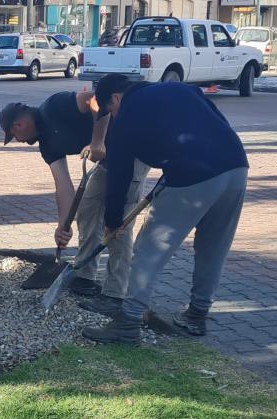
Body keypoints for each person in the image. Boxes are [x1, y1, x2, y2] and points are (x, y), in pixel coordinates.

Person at [82, 74, 249, 344]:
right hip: (236, 166)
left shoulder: (126, 116)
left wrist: (113, 220)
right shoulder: (181, 90)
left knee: (149, 251)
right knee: (213, 248)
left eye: (110, 110)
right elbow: (215, 126)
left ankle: (128, 322)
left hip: (193, 174)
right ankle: (197, 315)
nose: (112, 115)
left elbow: (120, 174)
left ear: (115, 98)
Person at [0, 92, 149, 316]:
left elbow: (97, 99)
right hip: (108, 161)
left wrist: (97, 141)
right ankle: (85, 277)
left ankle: (115, 294)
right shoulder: (47, 146)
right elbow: (63, 185)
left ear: (19, 124)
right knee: (87, 210)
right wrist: (63, 225)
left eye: (14, 135)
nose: (18, 141)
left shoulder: (55, 105)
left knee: (116, 224)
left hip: (131, 151)